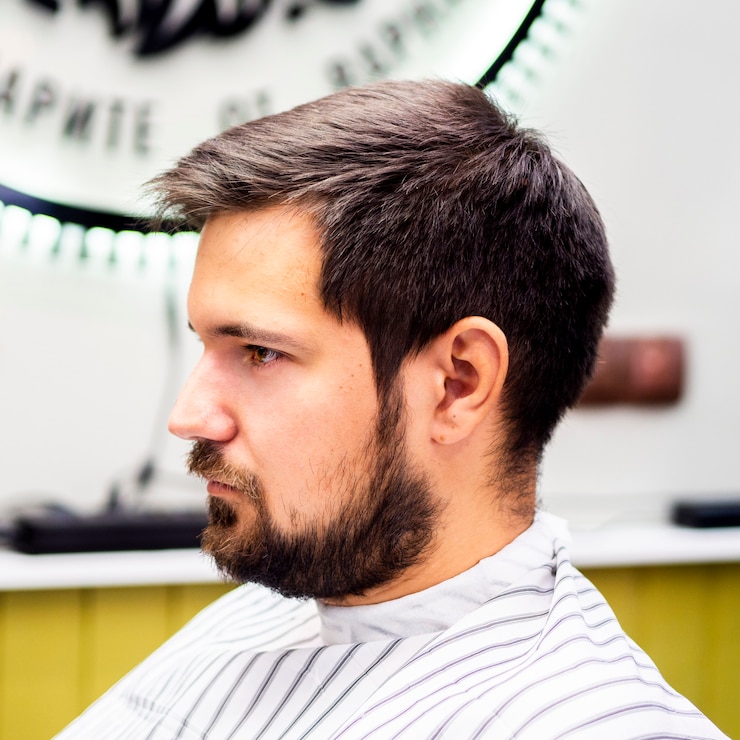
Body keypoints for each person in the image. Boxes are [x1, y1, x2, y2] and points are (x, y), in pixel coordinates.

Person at [56, 80, 726, 738]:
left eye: (260, 352)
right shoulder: (256, 620)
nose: (189, 416)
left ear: (458, 384)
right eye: (206, 346)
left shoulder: (584, 721)